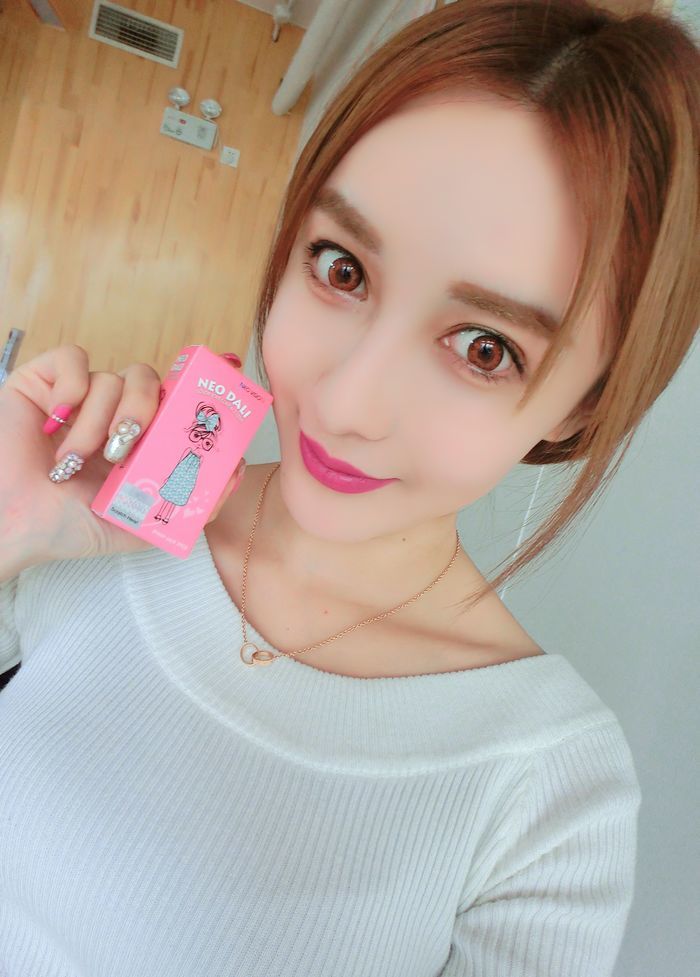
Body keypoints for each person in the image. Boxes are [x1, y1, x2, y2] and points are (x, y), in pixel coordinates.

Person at [0, 1, 698, 974]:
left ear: (583, 403)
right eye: (341, 268)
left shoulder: (548, 793)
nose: (345, 401)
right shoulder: (91, 520)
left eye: (483, 347)